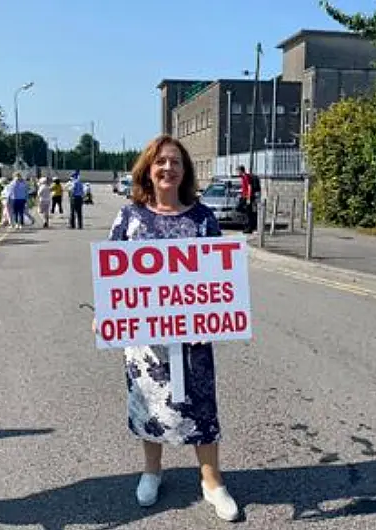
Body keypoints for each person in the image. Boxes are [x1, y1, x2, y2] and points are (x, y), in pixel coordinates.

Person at [101, 134, 239, 522]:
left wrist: (214, 313)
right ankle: (152, 471)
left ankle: (212, 481)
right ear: (148, 168)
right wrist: (107, 313)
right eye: (160, 161)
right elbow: (111, 275)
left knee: (202, 406)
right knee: (149, 405)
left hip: (193, 338)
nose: (168, 168)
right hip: (145, 343)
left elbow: (220, 277)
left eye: (176, 162)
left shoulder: (202, 218)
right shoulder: (129, 218)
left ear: (185, 171)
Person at [237, 165, 253, 233]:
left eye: (238, 171)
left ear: (241, 170)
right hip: (243, 196)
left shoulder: (246, 176)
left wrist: (249, 198)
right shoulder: (243, 177)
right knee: (240, 209)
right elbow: (244, 187)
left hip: (247, 197)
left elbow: (249, 187)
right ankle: (246, 225)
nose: (237, 172)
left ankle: (249, 228)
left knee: (248, 213)